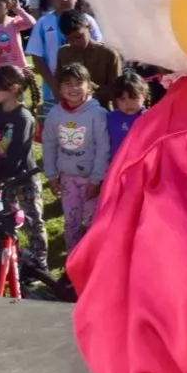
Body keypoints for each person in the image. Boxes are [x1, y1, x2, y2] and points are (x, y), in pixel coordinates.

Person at [42, 63, 110, 251]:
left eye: (79, 83)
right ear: (59, 87)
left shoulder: (98, 114)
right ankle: (73, 262)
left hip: (92, 180)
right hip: (68, 180)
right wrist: (52, 176)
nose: (73, 88)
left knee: (93, 223)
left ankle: (93, 262)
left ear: (89, 85)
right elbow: (49, 145)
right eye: (67, 84)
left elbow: (103, 148)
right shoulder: (54, 115)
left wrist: (96, 180)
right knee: (71, 222)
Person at [0, 62, 42, 265]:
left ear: (14, 88)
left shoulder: (23, 118)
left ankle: (39, 263)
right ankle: (11, 263)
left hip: (23, 179)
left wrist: (1, 179)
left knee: (33, 222)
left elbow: (17, 155)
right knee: (5, 222)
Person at [55, 9, 124, 108]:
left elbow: (116, 92)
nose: (75, 42)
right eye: (69, 39)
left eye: (79, 37)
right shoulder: (63, 53)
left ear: (89, 28)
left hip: (101, 112)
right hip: (71, 114)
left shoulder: (109, 54)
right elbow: (59, 85)